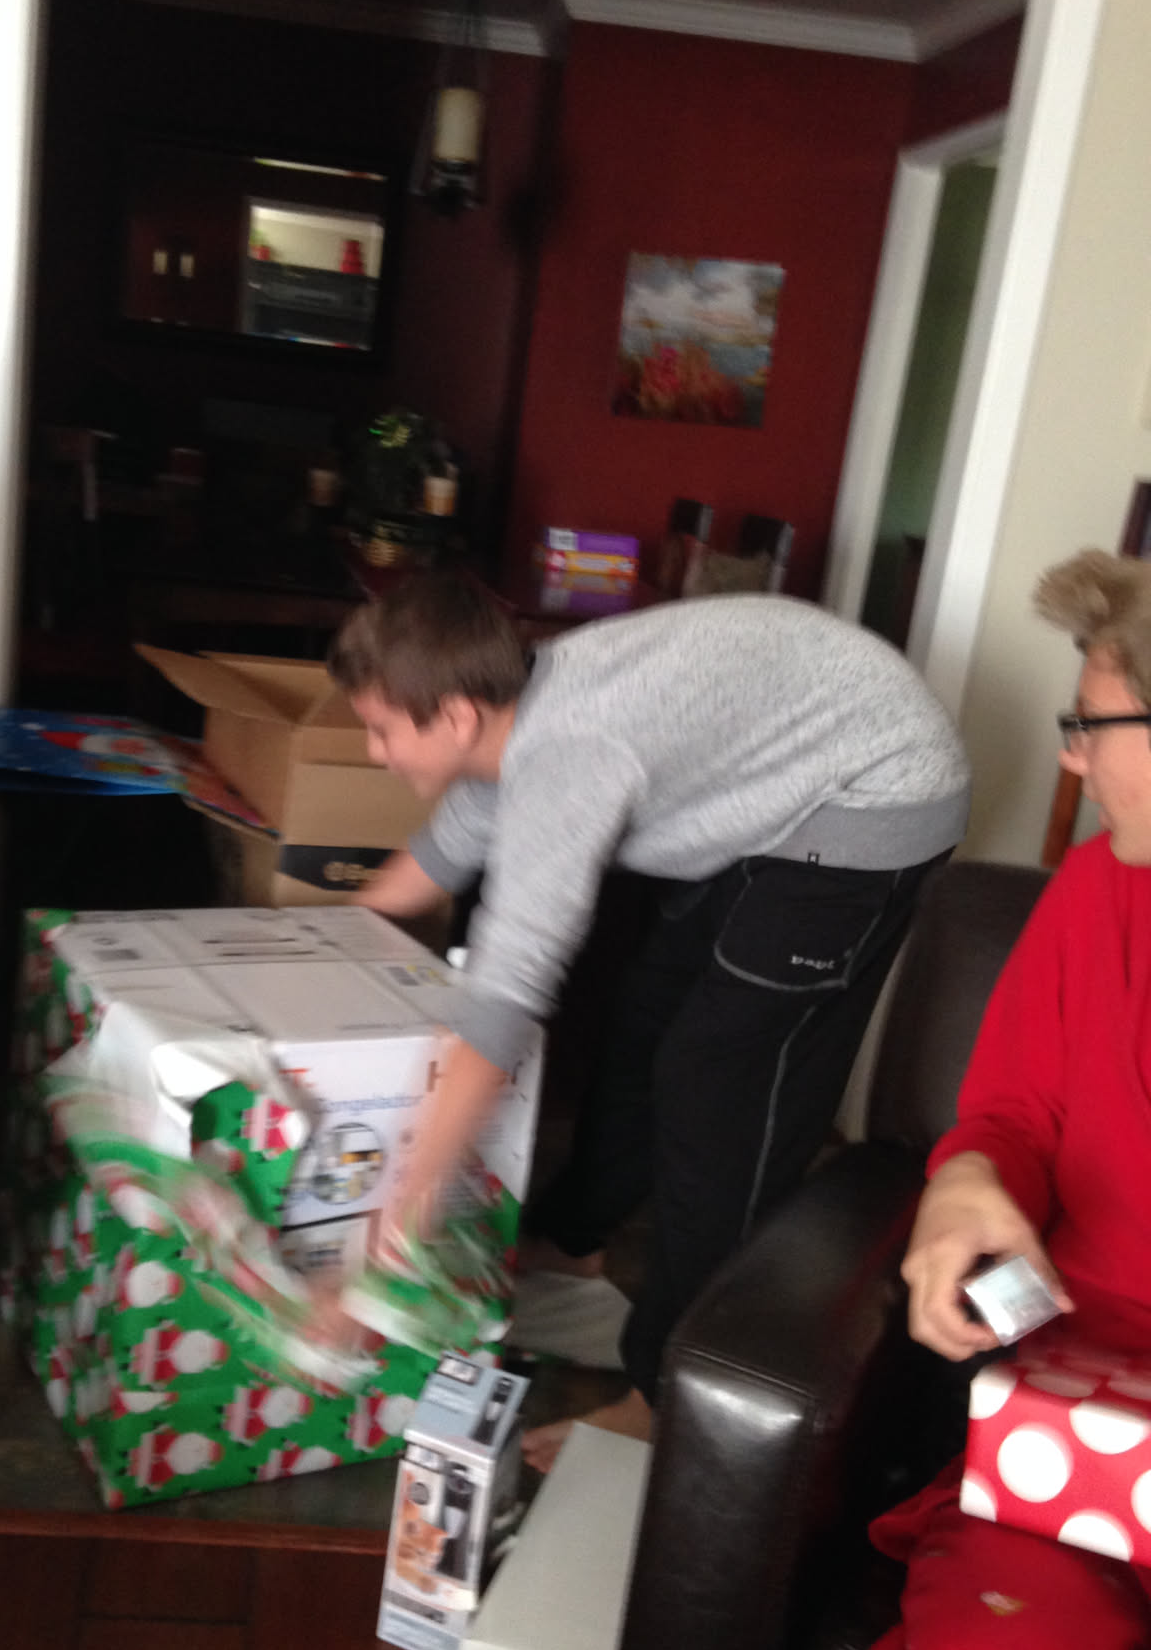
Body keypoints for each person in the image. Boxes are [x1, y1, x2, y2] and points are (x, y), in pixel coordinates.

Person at [328, 574, 970, 1467]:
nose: (373, 752)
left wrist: (391, 1234)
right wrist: (291, 961)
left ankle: (673, 1394)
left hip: (874, 793)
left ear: (457, 716)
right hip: (786, 777)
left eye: (382, 729)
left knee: (718, 1079)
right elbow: (431, 865)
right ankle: (575, 1243)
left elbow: (503, 1004)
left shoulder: (567, 758)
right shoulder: (506, 722)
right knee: (644, 1020)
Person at [809, 547, 1151, 1650]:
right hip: (1074, 1432)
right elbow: (1013, 1113)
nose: (1072, 759)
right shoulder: (1097, 890)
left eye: (1093, 725)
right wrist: (963, 1182)